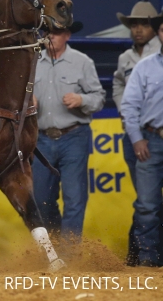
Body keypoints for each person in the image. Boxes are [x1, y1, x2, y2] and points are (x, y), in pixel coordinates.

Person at [31, 20, 105, 244]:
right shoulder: (32, 62)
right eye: (47, 31)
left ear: (67, 36)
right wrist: (28, 102)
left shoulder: (82, 62)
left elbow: (99, 98)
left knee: (74, 199)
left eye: (57, 32)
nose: (51, 36)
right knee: (42, 199)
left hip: (73, 136)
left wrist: (81, 99)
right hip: (41, 139)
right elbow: (19, 97)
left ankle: (70, 255)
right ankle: (53, 252)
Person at [115, 4, 163, 266]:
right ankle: (146, 261)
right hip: (151, 138)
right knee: (147, 205)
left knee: (148, 204)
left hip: (149, 137)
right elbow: (128, 102)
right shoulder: (141, 65)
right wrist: (135, 136)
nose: (138, 30)